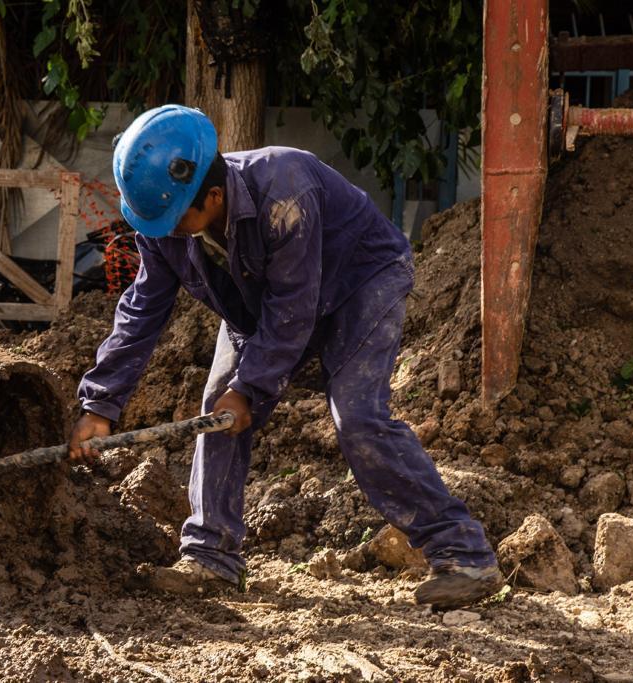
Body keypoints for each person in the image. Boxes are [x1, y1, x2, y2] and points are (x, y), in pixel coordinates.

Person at [67, 104, 504, 609]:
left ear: (211, 196)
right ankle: (213, 557)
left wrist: (249, 389)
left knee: (358, 417)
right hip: (265, 302)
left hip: (360, 284)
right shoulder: (162, 219)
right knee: (216, 411)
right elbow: (142, 308)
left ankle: (463, 554)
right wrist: (99, 405)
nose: (162, 232)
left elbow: (293, 308)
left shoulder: (285, 191)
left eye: (172, 222)